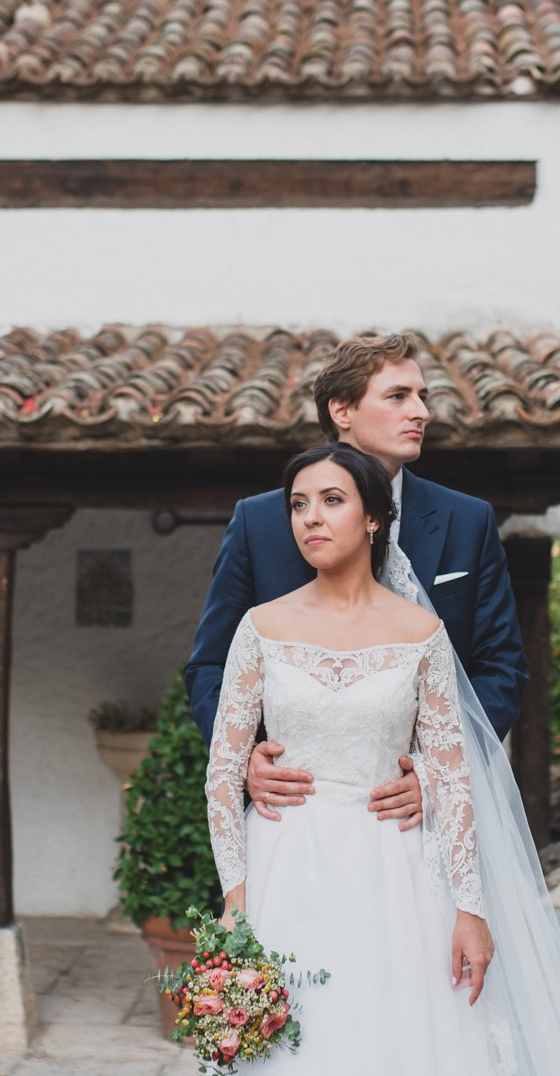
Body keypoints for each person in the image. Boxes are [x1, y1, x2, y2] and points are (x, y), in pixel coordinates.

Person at [186, 443, 560, 1076]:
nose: (312, 517)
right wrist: (236, 900)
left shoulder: (420, 633)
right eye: (300, 504)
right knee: (289, 1060)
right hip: (287, 870)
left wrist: (471, 909)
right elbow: (222, 773)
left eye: (333, 501)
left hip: (393, 874)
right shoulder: (261, 626)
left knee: (399, 1054)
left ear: (374, 518)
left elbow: (450, 778)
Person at [184, 333, 529, 833]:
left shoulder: (468, 520)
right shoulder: (260, 522)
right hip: (296, 812)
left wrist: (441, 771)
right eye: (398, 396)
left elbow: (502, 668)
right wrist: (246, 756)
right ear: (341, 411)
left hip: (428, 813)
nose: (422, 412)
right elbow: (210, 665)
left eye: (422, 396)